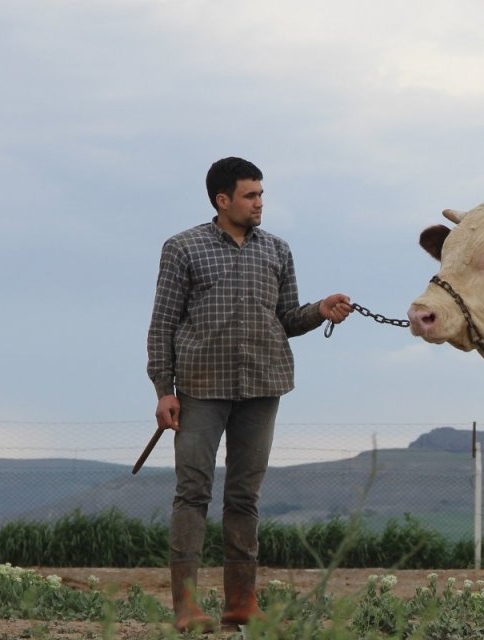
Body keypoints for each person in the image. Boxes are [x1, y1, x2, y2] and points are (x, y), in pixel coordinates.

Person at [146, 156, 352, 632]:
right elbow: (163, 324)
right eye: (250, 195)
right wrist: (163, 389)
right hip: (199, 388)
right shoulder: (182, 248)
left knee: (244, 498)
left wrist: (320, 309)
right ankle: (187, 607)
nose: (260, 203)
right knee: (192, 493)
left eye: (261, 194)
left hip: (263, 386)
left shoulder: (278, 250)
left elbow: (287, 320)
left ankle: (240, 604)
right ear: (223, 200)